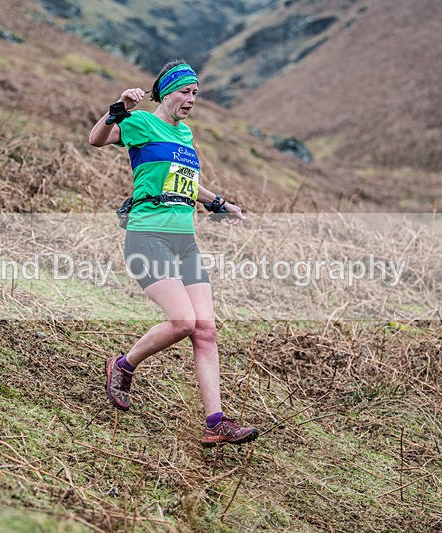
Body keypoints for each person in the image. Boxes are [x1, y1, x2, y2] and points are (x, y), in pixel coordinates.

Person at [88, 59, 259, 447]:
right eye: (185, 91)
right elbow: (97, 139)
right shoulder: (141, 123)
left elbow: (187, 182)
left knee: (206, 329)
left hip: (186, 242)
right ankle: (123, 366)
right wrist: (118, 107)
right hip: (148, 236)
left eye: (196, 93)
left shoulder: (185, 135)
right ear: (166, 91)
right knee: (182, 321)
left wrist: (220, 204)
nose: (191, 99)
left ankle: (215, 423)